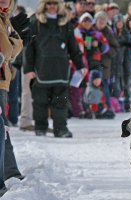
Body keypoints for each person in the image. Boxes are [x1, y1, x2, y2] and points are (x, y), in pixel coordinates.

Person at [24, 0, 87, 138]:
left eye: (54, 3)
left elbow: (73, 47)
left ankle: (61, 129)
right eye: (49, 3)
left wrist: (80, 65)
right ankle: (40, 127)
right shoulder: (35, 22)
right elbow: (29, 48)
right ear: (44, 5)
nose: (52, 6)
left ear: (59, 5)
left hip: (61, 71)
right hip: (41, 69)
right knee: (40, 102)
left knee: (60, 102)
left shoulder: (65, 23)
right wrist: (28, 68)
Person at [1, 0, 26, 179]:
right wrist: (14, 42)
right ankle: (9, 173)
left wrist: (14, 43)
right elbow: (9, 49)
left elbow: (16, 46)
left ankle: (10, 172)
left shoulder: (5, 18)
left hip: (3, 79)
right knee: (2, 128)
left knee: (3, 127)